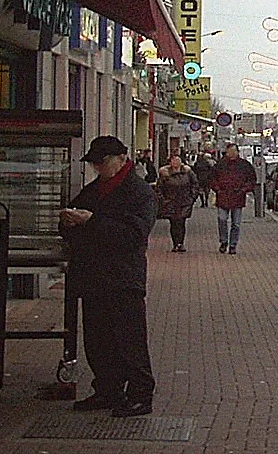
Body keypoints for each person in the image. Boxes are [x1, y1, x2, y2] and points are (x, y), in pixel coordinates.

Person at [59, 135, 157, 417]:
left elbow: (134, 235)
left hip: (123, 278)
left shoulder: (139, 193)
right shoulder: (94, 190)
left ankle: (140, 394)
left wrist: (92, 221)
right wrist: (68, 221)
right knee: (98, 340)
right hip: (92, 277)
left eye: (102, 163)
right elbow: (73, 224)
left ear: (121, 159)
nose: (97, 168)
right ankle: (107, 390)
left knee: (129, 340)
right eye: (94, 163)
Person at [210, 143, 256, 254]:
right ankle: (224, 241)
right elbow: (212, 179)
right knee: (222, 220)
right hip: (223, 196)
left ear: (237, 152)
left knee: (236, 223)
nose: (231, 153)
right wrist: (218, 190)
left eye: (234, 151)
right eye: (230, 151)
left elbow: (252, 179)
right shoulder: (220, 165)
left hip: (238, 197)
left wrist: (243, 190)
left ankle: (233, 244)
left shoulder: (244, 165)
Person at [155, 154, 198, 252]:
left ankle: (181, 243)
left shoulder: (188, 172)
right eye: (174, 160)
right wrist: (163, 200)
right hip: (170, 202)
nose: (176, 162)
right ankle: (175, 243)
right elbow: (159, 188)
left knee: (181, 222)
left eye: (178, 160)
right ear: (170, 162)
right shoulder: (165, 173)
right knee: (173, 223)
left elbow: (195, 184)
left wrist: (192, 197)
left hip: (184, 201)